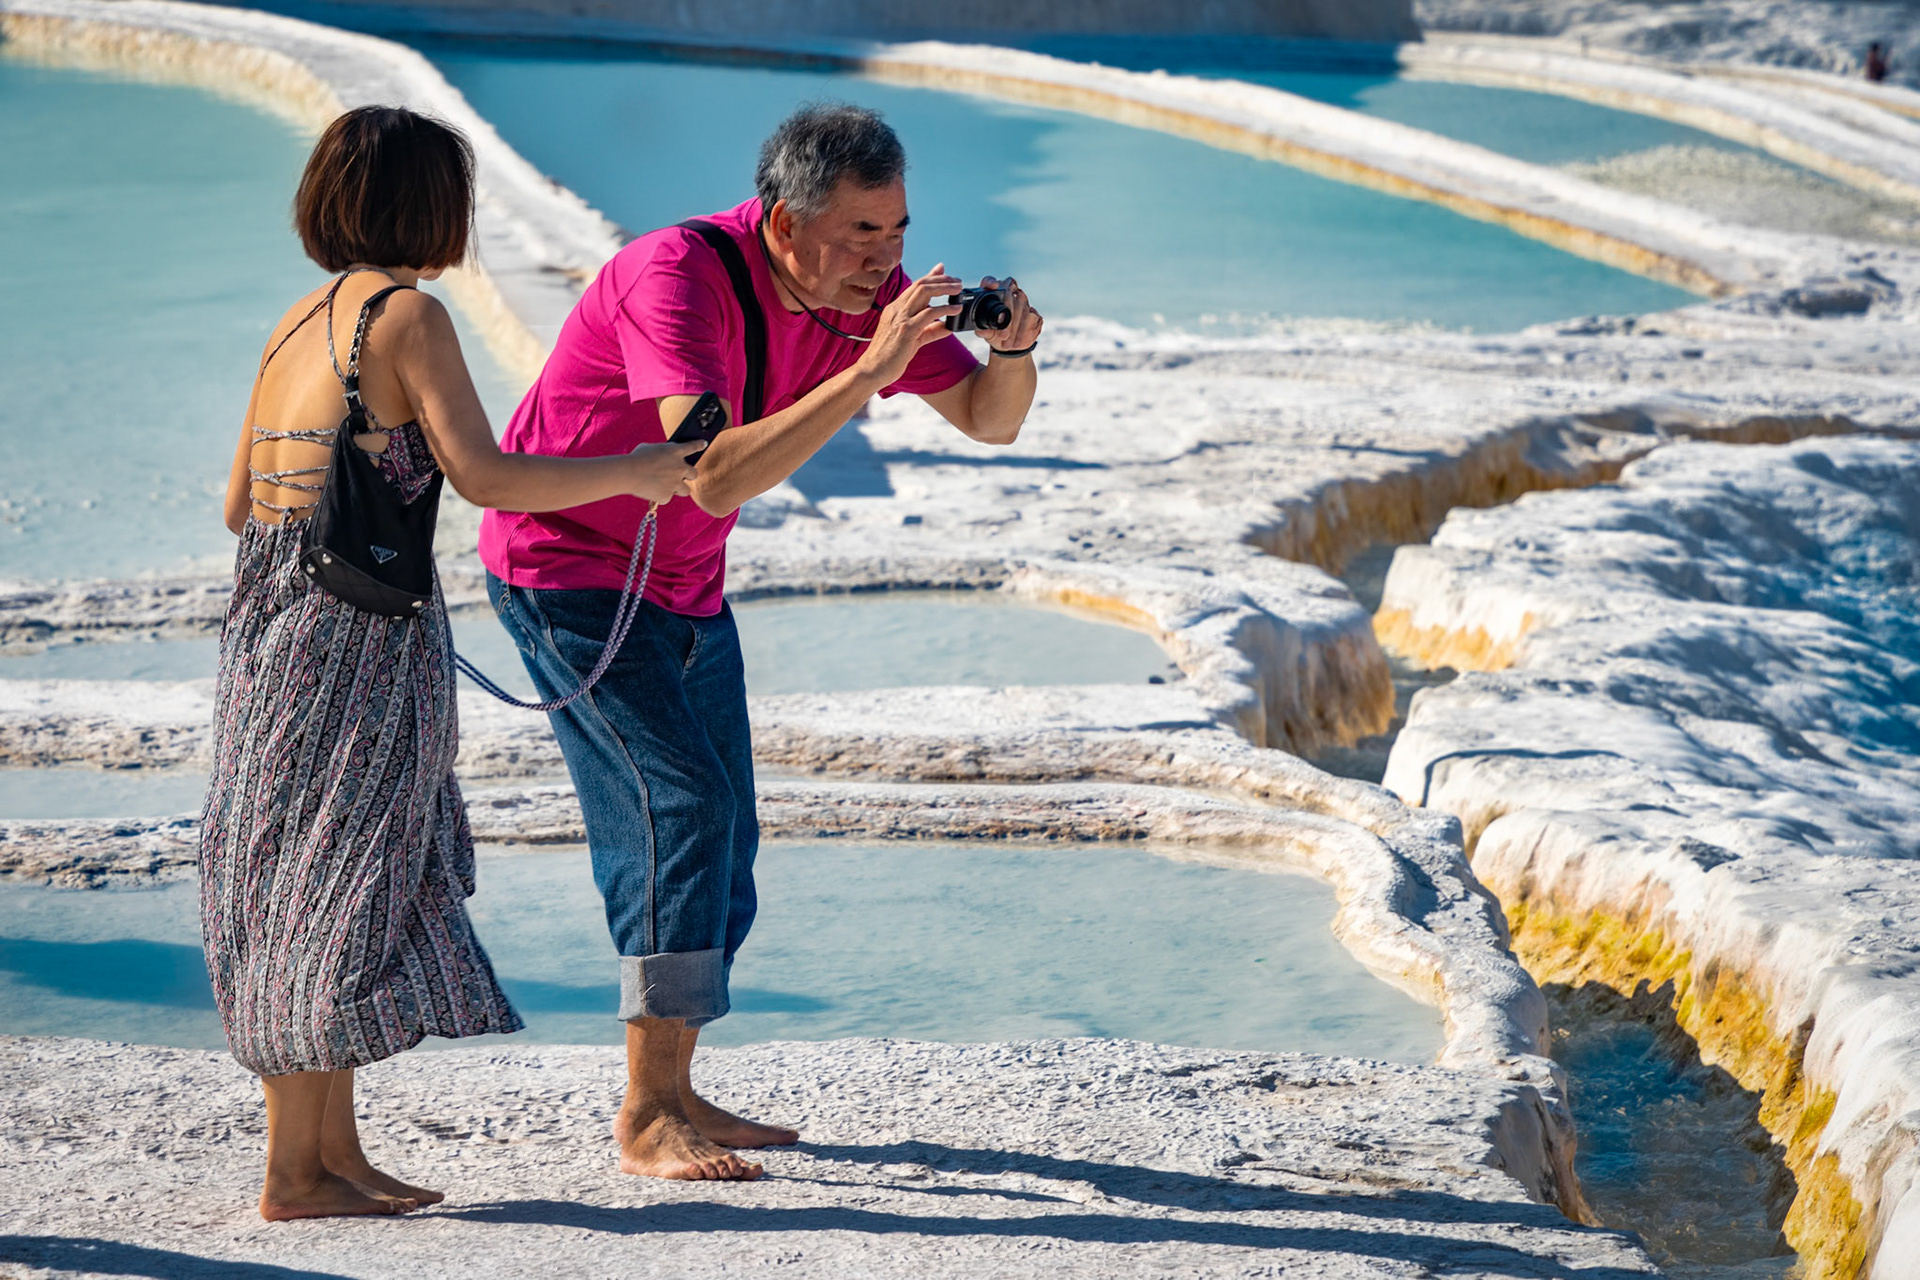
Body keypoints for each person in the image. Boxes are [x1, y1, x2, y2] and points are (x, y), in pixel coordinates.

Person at [479, 102, 1044, 1181]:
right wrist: (871, 370)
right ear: (784, 222)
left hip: (685, 580)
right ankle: (646, 1113)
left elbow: (990, 417)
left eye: (896, 231)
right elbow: (713, 471)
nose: (883, 261)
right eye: (859, 236)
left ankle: (680, 1085)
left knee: (726, 826)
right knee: (674, 808)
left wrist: (1010, 351)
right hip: (571, 568)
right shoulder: (677, 277)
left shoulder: (862, 299)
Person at [199, 105, 698, 1222]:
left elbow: (240, 503)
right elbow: (488, 477)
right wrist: (638, 468)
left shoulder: (295, 321)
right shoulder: (407, 314)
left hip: (270, 629)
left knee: (304, 878)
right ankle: (293, 1173)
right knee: (340, 885)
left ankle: (332, 1152)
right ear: (433, 205)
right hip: (361, 638)